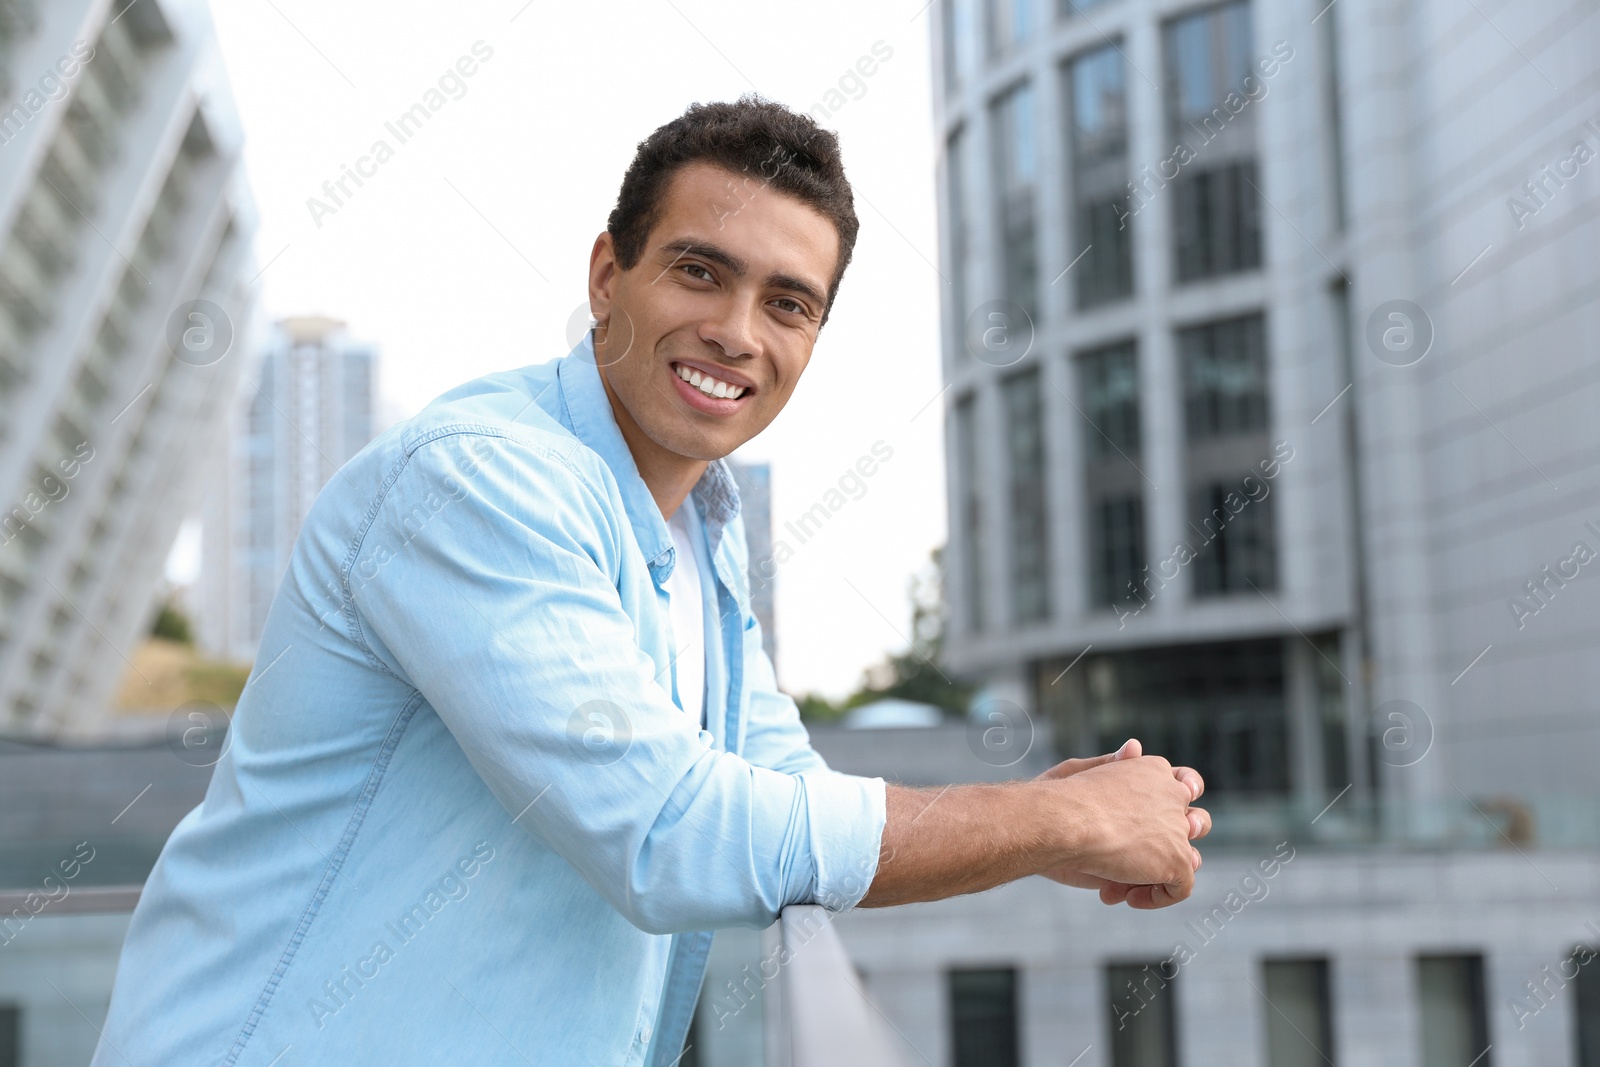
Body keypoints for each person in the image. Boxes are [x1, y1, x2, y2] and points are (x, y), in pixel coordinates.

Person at [92, 94, 1208, 1067]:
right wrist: (1048, 821)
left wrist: (1052, 814)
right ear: (604, 275)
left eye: (786, 301)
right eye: (699, 270)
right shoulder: (482, 482)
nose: (733, 331)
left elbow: (775, 782)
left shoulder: (699, 530)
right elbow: (673, 829)